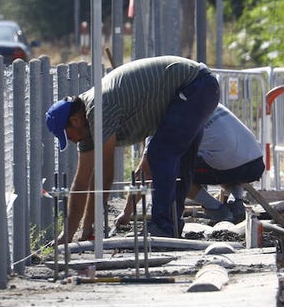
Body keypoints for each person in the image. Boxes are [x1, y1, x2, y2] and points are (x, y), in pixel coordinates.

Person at [46, 55, 220, 242]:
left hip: (195, 85)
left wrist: (90, 224)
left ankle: (163, 226)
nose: (72, 141)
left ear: (75, 121)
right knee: (177, 160)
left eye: (68, 135)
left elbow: (105, 176)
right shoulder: (86, 128)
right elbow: (81, 184)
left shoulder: (98, 110)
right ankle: (171, 226)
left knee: (161, 154)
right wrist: (71, 234)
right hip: (198, 89)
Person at [116, 104, 264, 228]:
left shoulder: (161, 119)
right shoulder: (200, 99)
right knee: (217, 156)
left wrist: (127, 211)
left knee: (165, 169)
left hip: (226, 165)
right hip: (255, 163)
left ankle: (217, 210)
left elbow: (144, 172)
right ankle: (236, 201)